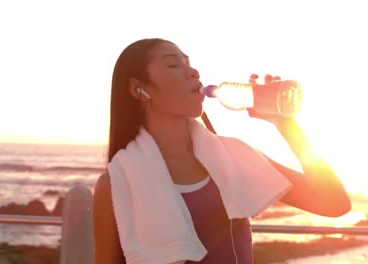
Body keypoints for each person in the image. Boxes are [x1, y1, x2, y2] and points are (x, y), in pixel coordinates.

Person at [92, 38, 351, 264]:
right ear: (139, 88)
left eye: (189, 63)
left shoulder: (234, 158)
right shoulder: (116, 184)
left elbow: (334, 203)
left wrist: (287, 124)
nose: (192, 71)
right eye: (173, 64)